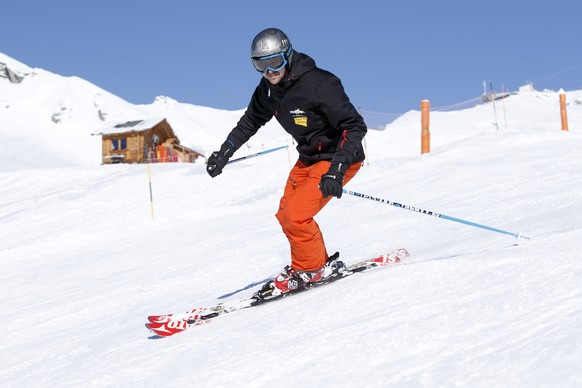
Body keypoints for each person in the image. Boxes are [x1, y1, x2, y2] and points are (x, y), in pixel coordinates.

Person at [206, 28, 367, 297]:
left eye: (274, 63)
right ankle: (318, 263)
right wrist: (224, 152)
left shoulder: (320, 84)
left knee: (296, 215)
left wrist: (337, 171)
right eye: (261, 65)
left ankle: (309, 269)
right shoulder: (269, 90)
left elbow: (354, 127)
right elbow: (250, 121)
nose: (269, 71)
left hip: (338, 158)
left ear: (288, 55)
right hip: (308, 159)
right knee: (286, 214)